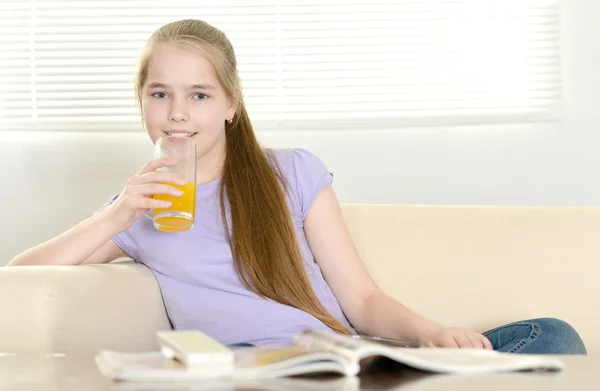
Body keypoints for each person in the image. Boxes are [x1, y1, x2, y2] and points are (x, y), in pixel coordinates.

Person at [8, 19, 586, 355]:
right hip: (252, 378)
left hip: (346, 363)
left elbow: (362, 302)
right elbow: (18, 283)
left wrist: (434, 336)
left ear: (231, 104)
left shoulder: (292, 172)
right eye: (160, 93)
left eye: (200, 95)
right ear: (141, 103)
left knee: (551, 337)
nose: (178, 113)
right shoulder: (138, 209)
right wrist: (113, 217)